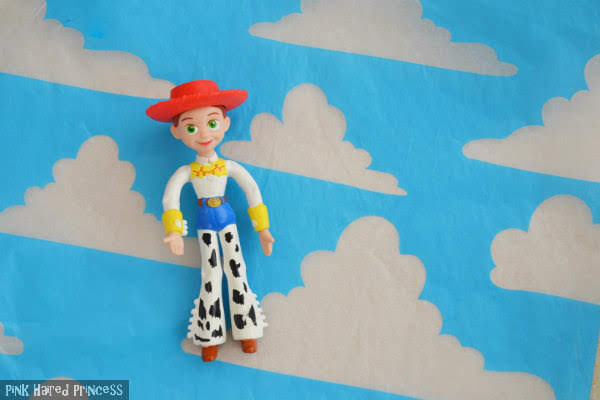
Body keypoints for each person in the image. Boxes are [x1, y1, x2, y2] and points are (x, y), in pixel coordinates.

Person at [146, 80, 274, 362]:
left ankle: (247, 328)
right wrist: (174, 232)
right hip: (205, 225)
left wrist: (263, 229)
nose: (204, 133)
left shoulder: (228, 167)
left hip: (228, 222)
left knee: (237, 270)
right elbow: (170, 199)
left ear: (225, 124)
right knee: (210, 276)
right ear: (177, 132)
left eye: (212, 123)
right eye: (192, 127)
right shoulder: (186, 171)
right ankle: (209, 334)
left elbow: (253, 191)